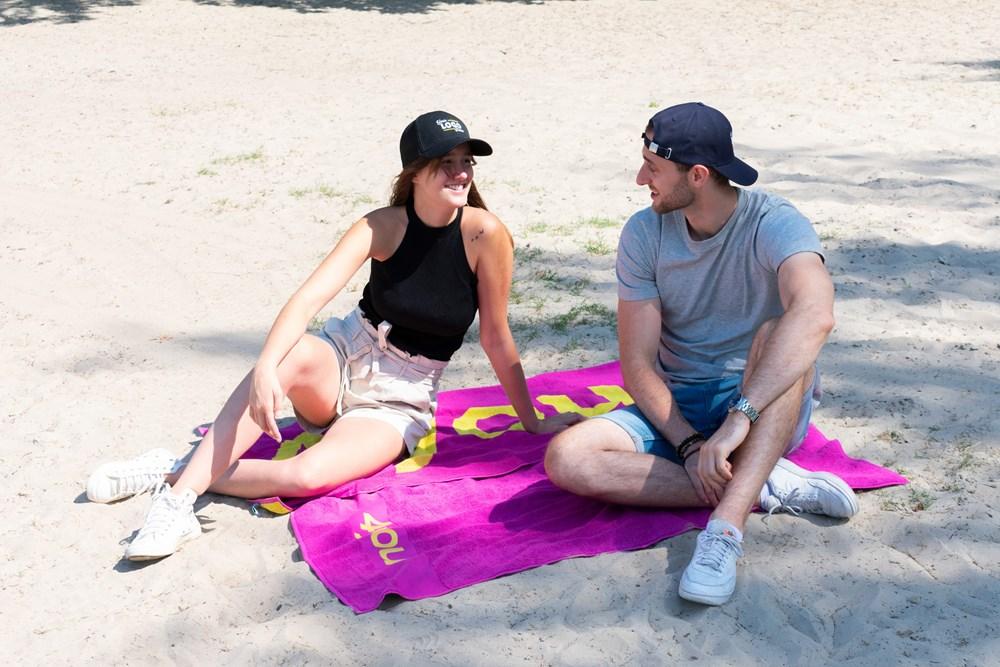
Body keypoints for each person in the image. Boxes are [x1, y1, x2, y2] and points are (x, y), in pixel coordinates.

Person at [88, 110, 580, 561]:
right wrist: (266, 368)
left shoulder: (485, 234)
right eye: (445, 163)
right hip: (346, 353)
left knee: (305, 477)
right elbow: (306, 301)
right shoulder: (381, 226)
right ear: (414, 173)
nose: (460, 174)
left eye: (466, 162)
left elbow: (495, 336)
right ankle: (178, 504)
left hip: (399, 397)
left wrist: (531, 421)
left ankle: (175, 469)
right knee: (287, 355)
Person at [544, 102, 858, 606]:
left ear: (697, 174)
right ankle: (759, 482)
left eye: (653, 167)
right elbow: (637, 364)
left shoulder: (773, 222)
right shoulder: (644, 232)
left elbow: (817, 313)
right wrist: (689, 445)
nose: (640, 178)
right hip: (679, 406)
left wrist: (739, 418)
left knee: (781, 331)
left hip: (759, 402)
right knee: (567, 459)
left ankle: (725, 529)